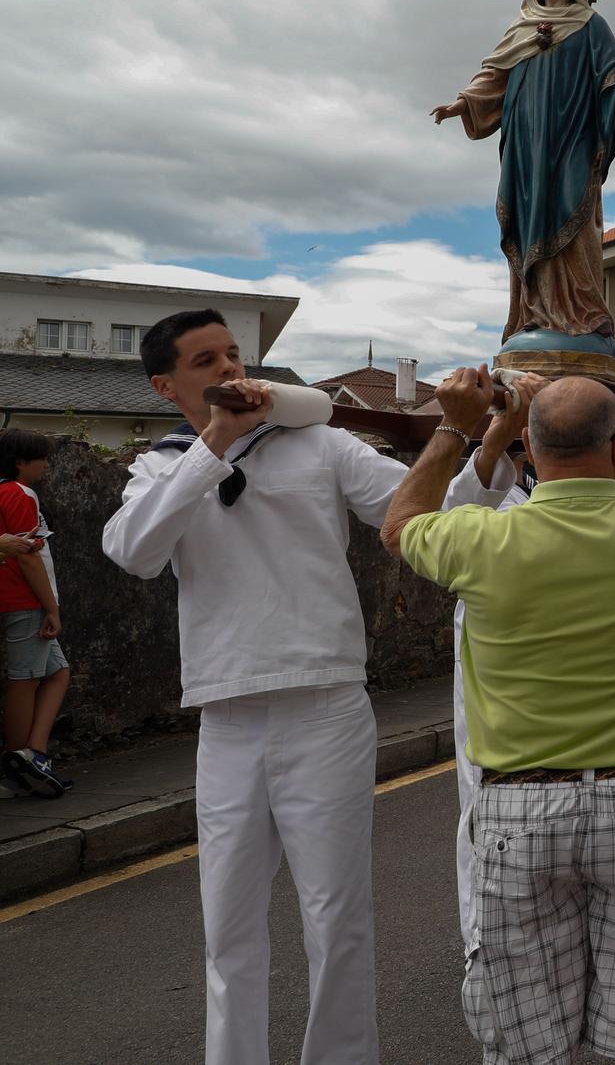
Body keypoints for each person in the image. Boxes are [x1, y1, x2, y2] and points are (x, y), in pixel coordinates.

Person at [102, 309, 408, 1065]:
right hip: (227, 716)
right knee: (228, 927)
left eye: (235, 354)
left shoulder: (321, 443)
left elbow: (416, 511)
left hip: (326, 704)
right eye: (206, 360)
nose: (229, 368)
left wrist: (484, 450)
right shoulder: (160, 466)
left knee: (338, 918)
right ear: (166, 385)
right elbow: (135, 549)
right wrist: (215, 442)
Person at [384, 370, 615, 1065]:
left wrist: (461, 427)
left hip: (520, 809)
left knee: (526, 1039)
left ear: (528, 446)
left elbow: (400, 521)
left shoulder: (482, 539)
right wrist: (606, 432)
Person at [432, 0, 615, 342]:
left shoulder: (591, 23)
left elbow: (613, 72)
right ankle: (532, 314)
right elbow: (494, 76)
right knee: (529, 221)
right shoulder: (520, 28)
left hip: (572, 137)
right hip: (526, 142)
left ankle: (585, 313)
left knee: (573, 214)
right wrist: (463, 103)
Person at [437, 391, 541, 960]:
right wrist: (497, 432)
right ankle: (484, 943)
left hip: (556, 671)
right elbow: (451, 520)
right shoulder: (491, 491)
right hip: (491, 672)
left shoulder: (588, 492)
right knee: (484, 801)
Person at [0, 429, 69, 798]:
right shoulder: (20, 493)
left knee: (58, 671)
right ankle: (13, 769)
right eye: (40, 458)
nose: (45, 464)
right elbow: (28, 556)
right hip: (24, 599)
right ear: (20, 463)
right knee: (24, 680)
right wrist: (52, 609)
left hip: (15, 597)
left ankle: (34, 753)